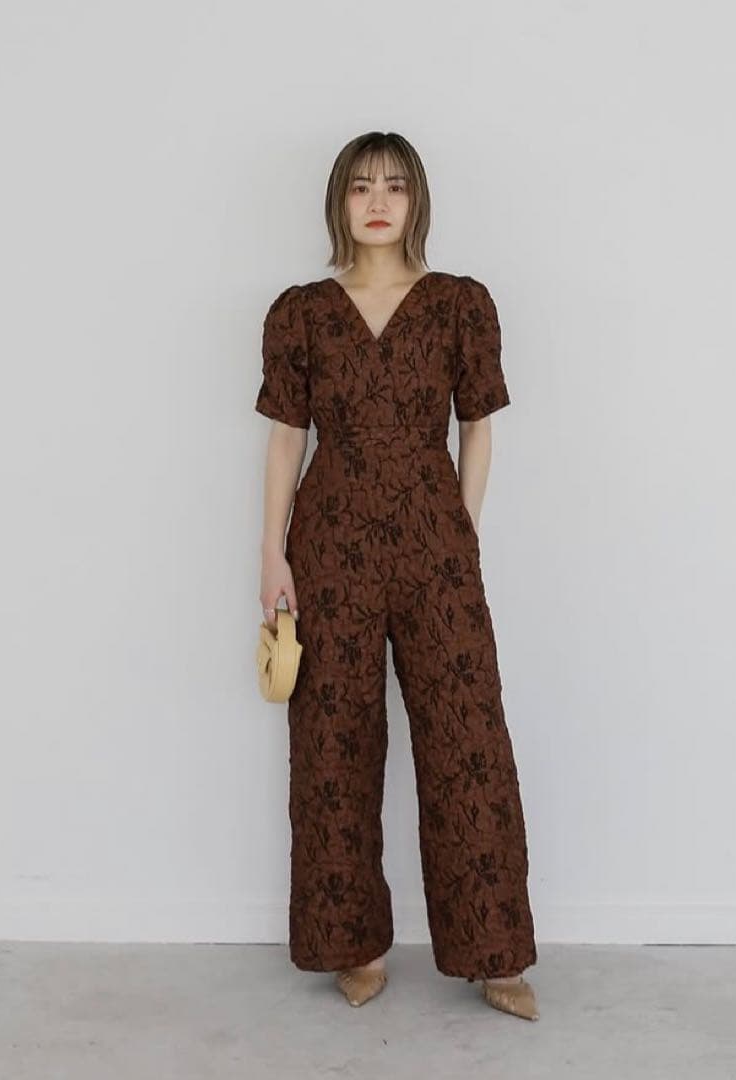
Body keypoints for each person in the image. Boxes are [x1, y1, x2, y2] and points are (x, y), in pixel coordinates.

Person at [255, 131, 539, 1021]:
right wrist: (271, 552)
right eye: (360, 187)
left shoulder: (458, 304)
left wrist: (460, 530)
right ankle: (354, 945)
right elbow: (288, 437)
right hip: (328, 542)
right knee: (332, 743)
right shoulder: (303, 312)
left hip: (434, 542)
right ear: (339, 201)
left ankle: (495, 955)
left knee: (467, 738)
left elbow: (478, 426)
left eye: (395, 186)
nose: (378, 202)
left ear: (417, 201)